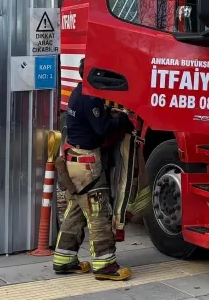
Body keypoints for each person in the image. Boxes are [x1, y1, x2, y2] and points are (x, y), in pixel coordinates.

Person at [52, 81, 133, 281]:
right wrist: (122, 119)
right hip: (88, 167)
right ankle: (105, 265)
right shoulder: (91, 97)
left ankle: (64, 260)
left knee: (76, 212)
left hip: (73, 163)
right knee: (98, 214)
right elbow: (101, 129)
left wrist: (106, 110)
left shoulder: (78, 91)